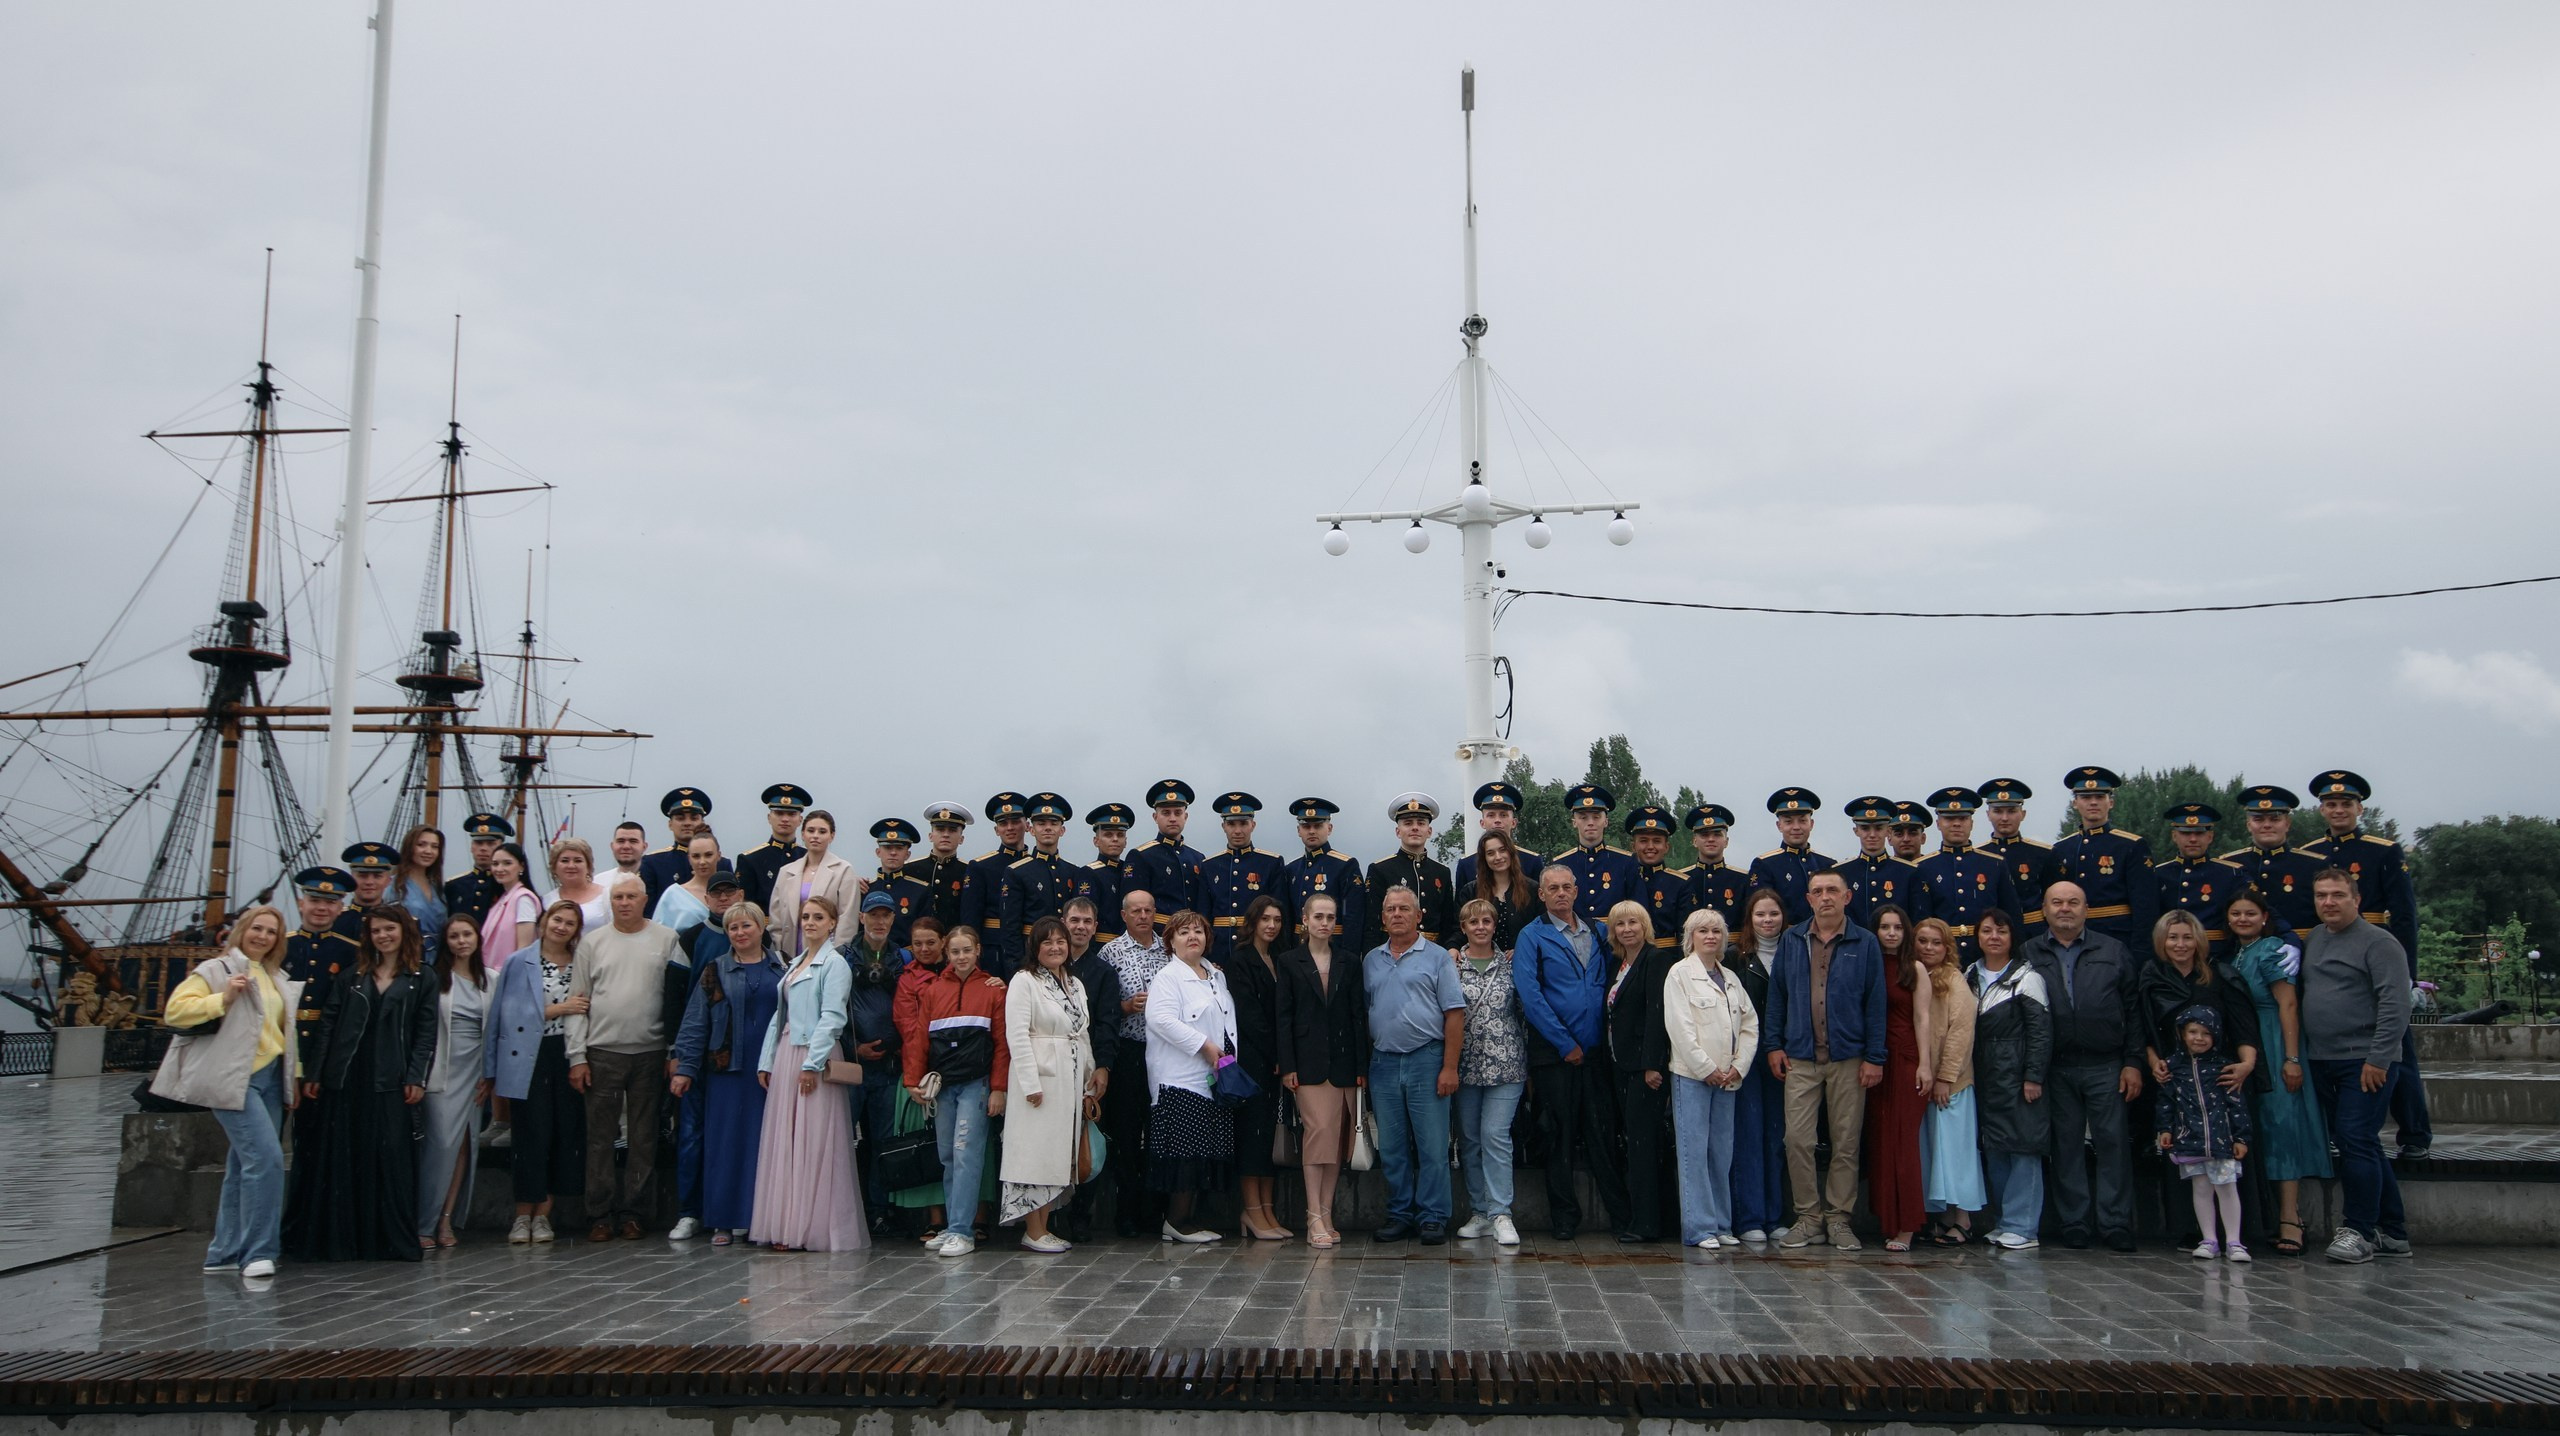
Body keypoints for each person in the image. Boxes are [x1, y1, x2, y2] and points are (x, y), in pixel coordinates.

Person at [154, 903, 301, 1281]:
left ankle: (224, 1253)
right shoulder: (216, 969)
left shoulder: (275, 975)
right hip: (235, 1078)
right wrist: (222, 999)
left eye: (271, 932)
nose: (263, 937)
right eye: (257, 929)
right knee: (266, 1160)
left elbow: (284, 1033)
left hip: (270, 1078)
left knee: (242, 1165)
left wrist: (294, 1077)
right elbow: (175, 1011)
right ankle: (259, 1251)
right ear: (242, 931)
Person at [285, 905, 438, 1262]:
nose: (383, 936)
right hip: (348, 1075)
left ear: (404, 931)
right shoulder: (353, 975)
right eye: (376, 931)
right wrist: (316, 1074)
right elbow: (329, 1026)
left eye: (389, 929)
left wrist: (417, 1075)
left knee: (389, 1157)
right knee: (346, 1157)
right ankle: (344, 1238)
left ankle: (386, 1238)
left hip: (392, 1076)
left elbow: (425, 1032)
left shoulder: (422, 976)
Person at [2301, 770, 2431, 1158]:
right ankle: (2336, 1133)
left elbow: (2404, 915)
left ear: (2359, 808)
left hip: (2376, 949)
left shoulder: (2384, 850)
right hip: (2328, 951)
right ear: (2321, 808)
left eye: (2346, 804)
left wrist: (2408, 973)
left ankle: (2414, 1134)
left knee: (2397, 1052)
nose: (2338, 810)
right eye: (2331, 804)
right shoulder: (2308, 852)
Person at [1763, 869, 1886, 1250]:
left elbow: (1875, 1002)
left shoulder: (1863, 942)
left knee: (1846, 1142)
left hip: (1849, 1058)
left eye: (1833, 890)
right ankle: (1808, 1217)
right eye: (1818, 891)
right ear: (1809, 899)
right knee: (1797, 1140)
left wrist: (1875, 1057)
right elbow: (1778, 995)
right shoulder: (1792, 939)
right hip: (1800, 1056)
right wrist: (1773, 1045)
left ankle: (1839, 1218)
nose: (1826, 897)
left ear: (1847, 897)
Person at [2021, 880, 2145, 1252]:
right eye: (2056, 902)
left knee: (2112, 1145)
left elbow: (2134, 1010)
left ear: (2086, 908)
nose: (2065, 909)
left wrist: (2133, 1062)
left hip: (2106, 1063)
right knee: (2066, 1145)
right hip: (2056, 1065)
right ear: (2044, 910)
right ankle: (2074, 1221)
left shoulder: (2112, 950)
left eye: (2073, 902)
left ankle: (2115, 1223)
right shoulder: (2029, 951)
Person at [1512, 863, 1631, 1242]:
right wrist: (1566, 1045)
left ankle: (1621, 1217)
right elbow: (1530, 996)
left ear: (1576, 891)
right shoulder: (1532, 936)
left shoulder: (1598, 931)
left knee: (1602, 1135)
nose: (1561, 893)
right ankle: (1564, 1217)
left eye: (1567, 887)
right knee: (1558, 1138)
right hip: (1555, 1054)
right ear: (1542, 895)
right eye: (1553, 888)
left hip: (1596, 1052)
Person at [2301, 867, 2414, 1263]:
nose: (2328, 902)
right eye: (2320, 895)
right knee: (2360, 1142)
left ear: (2357, 899)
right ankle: (2394, 1232)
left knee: (2354, 1139)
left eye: (2337, 894)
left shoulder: (2379, 943)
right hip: (2322, 1059)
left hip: (2364, 1062)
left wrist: (2378, 1058)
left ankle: (2359, 1231)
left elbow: (2396, 1004)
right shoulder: (2315, 937)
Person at [565, 873, 680, 1241]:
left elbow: (675, 999)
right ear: (609, 902)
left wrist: (672, 1050)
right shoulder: (592, 943)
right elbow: (577, 1002)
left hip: (650, 1051)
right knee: (600, 1138)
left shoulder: (666, 939)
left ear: (645, 899)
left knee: (644, 1137)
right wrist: (576, 1056)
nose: (625, 903)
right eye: (618, 897)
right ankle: (598, 1213)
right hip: (602, 1053)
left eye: (632, 896)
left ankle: (635, 1212)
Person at [746, 896, 866, 1251]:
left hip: (815, 1056)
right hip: (787, 1053)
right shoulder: (795, 963)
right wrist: (767, 1060)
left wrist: (812, 1064)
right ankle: (786, 1223)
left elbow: (832, 1017)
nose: (810, 922)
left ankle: (810, 1227)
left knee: (814, 1142)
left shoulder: (835, 964)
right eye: (806, 917)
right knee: (787, 1141)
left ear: (832, 923)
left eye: (818, 917)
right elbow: (779, 1015)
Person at [2135, 909, 2260, 1246]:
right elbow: (2141, 1026)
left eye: (2187, 937)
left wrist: (2247, 1064)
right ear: (2162, 941)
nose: (2180, 944)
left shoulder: (2219, 976)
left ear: (2199, 940)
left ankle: (2235, 1236)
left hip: (2218, 1082)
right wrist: (2153, 1061)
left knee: (2226, 1165)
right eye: (2173, 937)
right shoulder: (2150, 976)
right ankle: (2193, 1233)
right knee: (2182, 1157)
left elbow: (2243, 1024)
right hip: (2173, 1080)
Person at [2224, 886, 2332, 1256]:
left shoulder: (2270, 950)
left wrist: (2291, 1058)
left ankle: (2291, 1218)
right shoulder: (2239, 953)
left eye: (2250, 914)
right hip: (2250, 1040)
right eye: (2236, 914)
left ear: (2265, 917)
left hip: (2273, 1042)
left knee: (2283, 1126)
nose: (2242, 919)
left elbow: (2288, 1004)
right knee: (2262, 1129)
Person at [671, 901, 782, 1246]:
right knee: (724, 1145)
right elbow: (694, 1022)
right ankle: (721, 1221)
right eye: (733, 928)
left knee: (761, 1146)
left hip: (769, 1071)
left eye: (746, 926)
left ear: (761, 928)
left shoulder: (784, 968)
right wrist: (685, 1067)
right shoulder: (714, 970)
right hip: (726, 1070)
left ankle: (755, 1219)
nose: (739, 933)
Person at [1361, 886, 1468, 1244]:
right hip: (1384, 1062)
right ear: (1382, 917)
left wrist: (1449, 1067)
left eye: (1404, 909)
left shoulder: (1437, 957)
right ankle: (1400, 1213)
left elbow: (1455, 1014)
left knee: (1432, 1146)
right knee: (1391, 1146)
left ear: (1419, 916)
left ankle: (1433, 1216)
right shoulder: (1371, 959)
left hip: (1427, 1059)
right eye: (1390, 909)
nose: (1397, 914)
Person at [488, 900, 589, 1243]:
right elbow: (506, 1017)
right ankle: (521, 1215)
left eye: (570, 923)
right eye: (557, 920)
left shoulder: (581, 963)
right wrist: (560, 1007)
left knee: (561, 1133)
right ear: (544, 921)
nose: (561, 927)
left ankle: (545, 1215)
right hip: (527, 1055)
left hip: (566, 1053)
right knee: (529, 1136)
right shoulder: (519, 962)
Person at [907, 923, 1010, 1255]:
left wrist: (998, 1088)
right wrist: (912, 1080)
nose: (961, 956)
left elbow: (1001, 1045)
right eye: (955, 951)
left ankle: (963, 1231)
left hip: (975, 1086)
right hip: (944, 1086)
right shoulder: (934, 991)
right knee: (948, 1156)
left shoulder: (994, 991)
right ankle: (953, 1225)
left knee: (967, 1155)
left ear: (978, 950)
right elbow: (919, 1037)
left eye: (967, 950)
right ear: (945, 954)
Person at [1002, 917, 1100, 1253]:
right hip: (1040, 1076)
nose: (1056, 947)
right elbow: (1016, 1034)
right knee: (1033, 1150)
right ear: (1035, 947)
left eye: (1061, 941)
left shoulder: (1074, 984)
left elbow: (1081, 1033)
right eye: (1047, 942)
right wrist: (1029, 1082)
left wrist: (1089, 1081)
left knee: (1057, 1151)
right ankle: (1033, 1229)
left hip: (1070, 1078)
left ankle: (1043, 1228)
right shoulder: (1023, 981)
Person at [1275, 891, 1366, 1249]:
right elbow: (1283, 1016)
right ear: (1305, 920)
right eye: (1319, 917)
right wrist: (1287, 1065)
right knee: (1319, 1135)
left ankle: (1327, 1212)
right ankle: (1312, 1214)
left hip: (1344, 1064)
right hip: (1308, 1065)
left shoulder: (1349, 961)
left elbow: (1358, 1016)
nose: (1325, 923)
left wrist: (1361, 1066)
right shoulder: (1289, 961)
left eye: (1330, 917)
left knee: (1337, 1140)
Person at [1665, 908, 1756, 1250]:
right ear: (1691, 937)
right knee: (1694, 1153)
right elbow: (1680, 1028)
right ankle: (1699, 1228)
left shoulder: (1730, 978)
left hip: (1728, 1078)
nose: (1710, 936)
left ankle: (1721, 1223)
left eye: (1716, 931)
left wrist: (1739, 1066)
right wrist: (1707, 1069)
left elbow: (1750, 1026)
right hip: (1693, 1077)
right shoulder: (1679, 974)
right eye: (1702, 931)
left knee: (1721, 1152)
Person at [1145, 910, 1239, 1242]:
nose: (1192, 937)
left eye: (1198, 931)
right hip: (1180, 1079)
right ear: (1170, 941)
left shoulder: (1215, 975)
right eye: (1183, 932)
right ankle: (1176, 1220)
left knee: (1203, 1152)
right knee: (1184, 1155)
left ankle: (1189, 1219)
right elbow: (1160, 1020)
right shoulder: (1168, 978)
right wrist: (1204, 1046)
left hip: (1212, 1080)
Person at [1970, 907, 2050, 1250]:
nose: (1994, 937)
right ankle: (2004, 1222)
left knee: (2024, 1148)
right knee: (1997, 1147)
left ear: (2011, 937)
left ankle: (2024, 1226)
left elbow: (2041, 1033)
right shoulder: (1969, 975)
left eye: (2001, 932)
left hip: (2017, 1074)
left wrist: (2033, 1075)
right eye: (1987, 931)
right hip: (1984, 1075)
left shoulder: (2028, 977)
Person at [1450, 896, 1527, 1245]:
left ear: (1495, 926)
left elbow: (1526, 1009)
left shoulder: (1511, 964)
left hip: (1506, 1064)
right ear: (1463, 927)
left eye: (1486, 921)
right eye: (1473, 922)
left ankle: (1501, 1213)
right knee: (1469, 1139)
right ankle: (1479, 1211)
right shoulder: (1451, 965)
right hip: (1464, 1066)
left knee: (1495, 1135)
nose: (1480, 927)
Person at [417, 912, 494, 1249]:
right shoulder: (433, 979)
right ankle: (423, 1222)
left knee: (464, 1146)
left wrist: (490, 1075)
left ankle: (446, 1220)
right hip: (441, 1073)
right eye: (454, 936)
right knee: (440, 1146)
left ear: (477, 939)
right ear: (446, 943)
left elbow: (497, 1032)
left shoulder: (491, 979)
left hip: (475, 1073)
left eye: (467, 935)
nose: (462, 941)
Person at [2154, 1002, 2253, 1261]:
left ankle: (2234, 1241)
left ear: (2216, 1036)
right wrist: (2165, 1129)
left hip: (2222, 1142)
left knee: (2227, 1188)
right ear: (2182, 1034)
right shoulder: (2173, 1066)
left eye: (2206, 1033)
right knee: (2200, 1189)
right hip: (2190, 1140)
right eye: (2193, 1032)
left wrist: (2241, 1136)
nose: (2199, 1038)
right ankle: (2209, 1239)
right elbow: (2166, 1100)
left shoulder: (2224, 1066)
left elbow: (2237, 1104)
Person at [1098, 889, 1172, 1236]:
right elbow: (1102, 1007)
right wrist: (1128, 1006)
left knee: (1159, 1132)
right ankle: (1125, 1214)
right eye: (1136, 911)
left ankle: (1155, 1211)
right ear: (1124, 915)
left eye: (1148, 910)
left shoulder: (1169, 950)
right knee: (1127, 1133)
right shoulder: (1110, 952)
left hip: (1163, 1052)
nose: (1143, 916)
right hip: (1128, 1050)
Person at [1601, 899, 1675, 1242]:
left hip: (1645, 1069)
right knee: (1633, 1142)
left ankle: (1648, 1224)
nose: (1627, 929)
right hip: (1620, 1065)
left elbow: (1656, 1014)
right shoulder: (1618, 964)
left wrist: (1651, 1065)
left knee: (1645, 1145)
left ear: (1645, 925)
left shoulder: (1656, 959)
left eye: (1633, 922)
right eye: (1620, 924)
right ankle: (1642, 1217)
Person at [838, 890, 910, 1228]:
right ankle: (842, 1209)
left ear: (893, 918)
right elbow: (833, 1013)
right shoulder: (842, 957)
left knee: (884, 1143)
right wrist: (854, 1049)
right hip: (851, 1065)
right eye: (873, 914)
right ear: (862, 917)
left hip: (889, 1066)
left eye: (886, 915)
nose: (879, 921)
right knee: (841, 1140)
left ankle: (880, 1210)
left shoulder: (904, 958)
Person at [1054, 896, 1123, 1242]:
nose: (1080, 927)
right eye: (1074, 920)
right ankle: (1051, 1215)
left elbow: (1109, 1023)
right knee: (1054, 1141)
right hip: (1052, 1069)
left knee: (1087, 1143)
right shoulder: (1047, 967)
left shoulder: (1103, 972)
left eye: (1087, 922)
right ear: (1062, 922)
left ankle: (1080, 1216)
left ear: (1096, 928)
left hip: (1088, 1067)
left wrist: (1104, 1067)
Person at [1862, 904, 1930, 1252]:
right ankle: (1886, 1219)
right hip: (1873, 1061)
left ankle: (1907, 1225)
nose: (1890, 933)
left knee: (1904, 1143)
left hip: (1906, 1061)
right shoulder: (1867, 965)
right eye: (1884, 927)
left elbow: (1922, 1019)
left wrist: (1926, 1065)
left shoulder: (1915, 968)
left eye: (1897, 927)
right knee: (1880, 1141)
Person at [1226, 894, 1293, 1240]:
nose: (1271, 925)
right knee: (1251, 1136)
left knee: (1269, 1136)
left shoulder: (1281, 959)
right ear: (1252, 922)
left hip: (1277, 1061)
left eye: (1277, 920)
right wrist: (1277, 1054)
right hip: (1253, 1059)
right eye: (1265, 919)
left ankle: (1268, 1209)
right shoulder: (1240, 959)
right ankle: (1250, 1211)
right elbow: (1249, 1016)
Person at [1914, 916, 1983, 1246]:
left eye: (1936, 942)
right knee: (1932, 1154)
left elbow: (1961, 1034)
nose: (1929, 948)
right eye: (1923, 941)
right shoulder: (1914, 977)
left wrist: (1944, 1077)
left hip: (1951, 1085)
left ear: (1947, 948)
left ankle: (1963, 1220)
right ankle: (1940, 1219)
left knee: (1955, 1153)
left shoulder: (1954, 981)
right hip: (1921, 1084)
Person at [1724, 889, 1789, 1243]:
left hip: (1785, 1057)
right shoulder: (1736, 958)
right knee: (1747, 1137)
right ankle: (1749, 1217)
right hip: (1747, 1058)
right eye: (1760, 915)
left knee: (1777, 1137)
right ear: (1749, 920)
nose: (1767, 920)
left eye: (1774, 914)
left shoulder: (1797, 953)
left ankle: (1775, 1215)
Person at [887, 918, 954, 1239]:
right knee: (927, 1143)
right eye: (918, 944)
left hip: (961, 1069)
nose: (925, 949)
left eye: (931, 942)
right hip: (921, 1069)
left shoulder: (963, 971)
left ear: (944, 941)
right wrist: (918, 1075)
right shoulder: (907, 980)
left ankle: (976, 1216)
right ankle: (935, 1217)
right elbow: (908, 1026)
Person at [2050, 767, 2157, 952]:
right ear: (2075, 803)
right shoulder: (2061, 849)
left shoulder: (2131, 846)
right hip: (2072, 938)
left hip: (2117, 936)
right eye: (2085, 798)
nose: (2093, 803)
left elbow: (2145, 906)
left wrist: (2141, 951)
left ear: (2111, 802)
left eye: (2100, 797)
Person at [1915, 787, 2021, 964]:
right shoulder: (1923, 867)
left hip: (1985, 956)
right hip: (1941, 958)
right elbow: (1920, 920)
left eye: (1963, 818)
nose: (1957, 823)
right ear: (1938, 823)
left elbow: (2011, 915)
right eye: (1949, 818)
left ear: (1972, 823)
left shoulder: (1994, 864)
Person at [997, 793, 1083, 975]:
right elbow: (1010, 927)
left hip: (1064, 956)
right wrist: (1017, 968)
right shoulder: (1016, 871)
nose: (1048, 828)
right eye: (1041, 823)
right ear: (1031, 829)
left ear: (1062, 830)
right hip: (1030, 954)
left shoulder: (1072, 871)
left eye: (1054, 823)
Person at [2222, 785, 2323, 938]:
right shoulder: (2229, 865)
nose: (2267, 825)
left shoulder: (2314, 865)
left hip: (2302, 951)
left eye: (2275, 819)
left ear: (2287, 824)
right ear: (2248, 825)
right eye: (2258, 819)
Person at [1199, 793, 1286, 962]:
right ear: (1223, 826)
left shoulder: (1271, 863)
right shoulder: (1209, 866)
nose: (1237, 830)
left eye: (1243, 823)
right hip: (1218, 950)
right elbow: (1203, 915)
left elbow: (1280, 912)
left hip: (1256, 948)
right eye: (1231, 824)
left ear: (1253, 825)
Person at [769, 810, 863, 962]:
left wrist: (836, 958)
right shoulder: (786, 872)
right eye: (811, 830)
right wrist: (779, 955)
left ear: (832, 836)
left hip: (827, 953)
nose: (815, 836)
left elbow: (847, 921)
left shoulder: (843, 870)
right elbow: (776, 919)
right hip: (789, 952)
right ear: (803, 834)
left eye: (822, 831)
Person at [1370, 792, 1458, 944]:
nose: (1415, 828)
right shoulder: (1380, 869)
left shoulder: (1442, 872)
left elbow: (1447, 922)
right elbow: (1372, 923)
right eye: (1408, 823)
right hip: (1392, 950)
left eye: (1421, 823)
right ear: (1398, 831)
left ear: (1429, 831)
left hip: (1433, 952)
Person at [1552, 784, 1640, 929]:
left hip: (1615, 938)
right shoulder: (1561, 864)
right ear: (1574, 822)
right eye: (1583, 817)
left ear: (1606, 821)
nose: (1590, 823)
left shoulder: (1626, 861)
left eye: (1596, 817)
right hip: (1574, 938)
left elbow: (1637, 907)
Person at [2155, 804, 2240, 951]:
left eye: (2199, 833)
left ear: (2210, 836)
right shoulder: (2158, 874)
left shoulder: (2230, 873)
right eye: (2186, 833)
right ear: (2174, 836)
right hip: (2172, 954)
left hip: (2216, 953)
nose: (2193, 839)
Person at [1833, 798, 1926, 930]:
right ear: (1856, 831)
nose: (1872, 834)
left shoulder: (1908, 872)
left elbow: (1917, 920)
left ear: (1888, 831)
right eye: (1865, 828)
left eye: (1878, 828)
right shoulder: (1841, 873)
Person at [962, 792, 1033, 961]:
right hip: (994, 949)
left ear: (1027, 825)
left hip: (1031, 945)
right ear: (996, 830)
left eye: (1015, 821)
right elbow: (970, 919)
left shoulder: (1035, 865)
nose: (1009, 827)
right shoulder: (980, 867)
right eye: (1003, 823)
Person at [1746, 788, 1834, 924]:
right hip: (1784, 940)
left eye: (1802, 821)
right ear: (1779, 825)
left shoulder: (1827, 864)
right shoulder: (1765, 864)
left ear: (1811, 824)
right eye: (1788, 822)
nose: (1796, 827)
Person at [1978, 779, 2058, 928]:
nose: (2004, 818)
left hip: (2033, 930)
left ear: (2023, 814)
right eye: (1998, 811)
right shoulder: (1978, 855)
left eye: (2012, 811)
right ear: (1988, 814)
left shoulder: (2043, 853)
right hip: (1993, 933)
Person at [1128, 779, 1205, 920]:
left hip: (1191, 934)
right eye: (1166, 813)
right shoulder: (1141, 856)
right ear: (1155, 817)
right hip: (1158, 934)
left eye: (1177, 813)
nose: (1172, 818)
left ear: (1185, 816)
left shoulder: (1198, 858)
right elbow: (1134, 907)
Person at [640, 787, 723, 913]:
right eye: (680, 818)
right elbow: (648, 909)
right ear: (670, 824)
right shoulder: (653, 863)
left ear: (702, 822)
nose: (687, 823)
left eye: (694, 818)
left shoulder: (722, 863)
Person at [1454, 780, 1545, 891]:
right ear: (1482, 823)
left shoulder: (1532, 862)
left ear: (1514, 822)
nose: (1497, 820)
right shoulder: (1467, 865)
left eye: (1503, 815)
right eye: (1491, 815)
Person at [1625, 805, 1695, 947]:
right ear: (1633, 846)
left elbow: (1685, 933)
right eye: (1643, 841)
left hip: (1666, 958)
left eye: (1657, 841)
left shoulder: (1680, 883)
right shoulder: (1623, 879)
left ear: (1666, 847)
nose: (1650, 846)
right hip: (1629, 955)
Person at [736, 783, 811, 913]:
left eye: (791, 814)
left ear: (800, 820)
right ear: (769, 818)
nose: (785, 819)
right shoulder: (750, 860)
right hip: (765, 929)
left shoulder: (808, 857)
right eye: (779, 813)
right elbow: (744, 906)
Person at [1679, 804, 1751, 936]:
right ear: (1694, 841)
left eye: (1717, 834)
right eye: (1704, 835)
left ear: (1726, 841)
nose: (1711, 839)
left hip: (1732, 952)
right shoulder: (1680, 879)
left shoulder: (1743, 879)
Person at [865, 817, 935, 949]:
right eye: (887, 848)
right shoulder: (865, 889)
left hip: (907, 960)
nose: (893, 853)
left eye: (899, 848)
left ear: (907, 854)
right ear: (878, 852)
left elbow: (925, 931)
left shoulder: (920, 890)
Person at [1076, 803, 1138, 943]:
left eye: (1120, 835)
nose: (1115, 839)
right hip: (1101, 945)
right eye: (1108, 834)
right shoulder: (1089, 873)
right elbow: (1086, 917)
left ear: (1126, 841)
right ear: (1096, 841)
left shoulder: (1130, 871)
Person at [653, 832, 724, 948]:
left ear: (719, 855)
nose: (702, 861)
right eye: (696, 856)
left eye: (708, 855)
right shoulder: (674, 895)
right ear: (689, 859)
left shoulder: (731, 893)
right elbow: (658, 938)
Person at [1468, 831, 1536, 950]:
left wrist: (1521, 950)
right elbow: (1459, 929)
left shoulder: (1532, 890)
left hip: (1524, 960)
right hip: (1484, 961)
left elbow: (1541, 930)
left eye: (1502, 850)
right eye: (1490, 853)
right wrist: (1452, 947)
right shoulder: (1471, 891)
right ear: (1484, 858)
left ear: (1511, 852)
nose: (1498, 857)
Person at [441, 812, 512, 927]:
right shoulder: (453, 886)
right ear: (472, 847)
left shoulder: (506, 886)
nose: (483, 848)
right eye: (478, 843)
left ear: (501, 847)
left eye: (490, 843)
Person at [479, 841, 544, 964]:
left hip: (510, 974)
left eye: (507, 863)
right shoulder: (502, 899)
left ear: (521, 866)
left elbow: (524, 948)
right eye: (495, 864)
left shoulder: (523, 899)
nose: (499, 869)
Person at [392, 826, 448, 962]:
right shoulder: (395, 886)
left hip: (439, 960)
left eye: (434, 846)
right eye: (421, 845)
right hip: (407, 959)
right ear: (409, 847)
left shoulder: (438, 888)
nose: (428, 851)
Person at [331, 841, 401, 948]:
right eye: (363, 876)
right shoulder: (333, 920)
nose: (369, 882)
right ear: (352, 878)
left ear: (388, 881)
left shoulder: (401, 922)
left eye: (377, 876)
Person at [917, 801, 974, 929]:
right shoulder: (910, 869)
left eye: (952, 830)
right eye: (940, 829)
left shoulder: (970, 871)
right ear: (930, 836)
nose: (946, 834)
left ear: (961, 839)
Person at [543, 837, 609, 934]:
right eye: (565, 860)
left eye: (578, 861)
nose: (571, 866)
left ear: (588, 866)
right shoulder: (547, 901)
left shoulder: (607, 896)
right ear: (554, 867)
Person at [608, 821, 649, 886]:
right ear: (612, 846)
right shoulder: (600, 882)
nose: (626, 846)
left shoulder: (655, 882)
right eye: (621, 841)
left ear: (644, 847)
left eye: (633, 841)